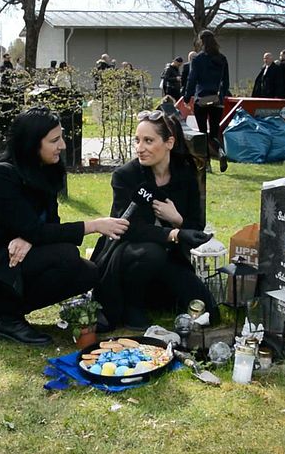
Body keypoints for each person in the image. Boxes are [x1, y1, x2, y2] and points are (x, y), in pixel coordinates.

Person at [0, 107, 129, 345]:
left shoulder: (45, 171)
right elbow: (38, 230)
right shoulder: (0, 176)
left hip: (13, 257)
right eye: (54, 140)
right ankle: (9, 318)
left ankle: (11, 314)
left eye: (61, 138)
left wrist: (29, 236)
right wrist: (95, 225)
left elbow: (48, 226)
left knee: (86, 272)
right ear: (32, 143)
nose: (63, 146)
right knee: (65, 253)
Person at [91, 109, 214, 331]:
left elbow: (195, 227)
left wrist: (177, 220)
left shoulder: (185, 175)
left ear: (169, 142)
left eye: (148, 141)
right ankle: (131, 307)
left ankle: (155, 298)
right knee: (151, 251)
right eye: (137, 140)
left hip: (169, 259)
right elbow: (128, 229)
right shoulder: (125, 176)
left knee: (208, 311)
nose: (140, 148)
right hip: (126, 254)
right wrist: (174, 234)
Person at [183, 29, 231, 140]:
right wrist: (222, 94)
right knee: (215, 131)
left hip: (201, 98)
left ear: (201, 41)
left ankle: (205, 155)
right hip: (217, 98)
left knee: (202, 132)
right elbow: (226, 81)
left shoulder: (197, 59)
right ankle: (218, 151)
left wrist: (186, 98)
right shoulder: (222, 59)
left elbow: (192, 80)